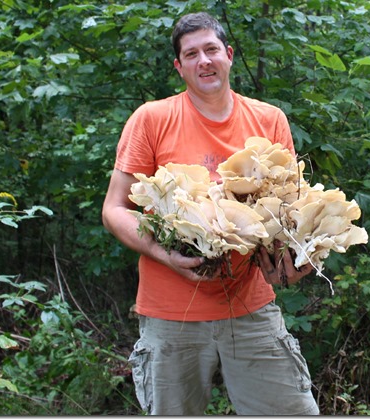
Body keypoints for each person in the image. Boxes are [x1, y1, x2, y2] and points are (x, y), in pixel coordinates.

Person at [101, 11, 320, 416]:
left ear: (229, 54)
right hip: (170, 316)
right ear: (178, 66)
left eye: (211, 49)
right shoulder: (152, 119)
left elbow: (289, 213)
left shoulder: (269, 120)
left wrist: (287, 261)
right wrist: (165, 253)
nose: (204, 60)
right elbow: (114, 209)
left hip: (250, 306)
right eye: (191, 54)